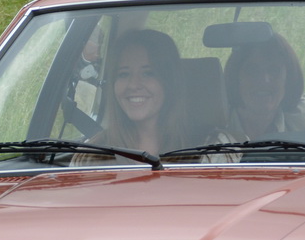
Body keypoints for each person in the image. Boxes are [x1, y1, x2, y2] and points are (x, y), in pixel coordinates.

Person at [79, 28, 220, 158]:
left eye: (148, 73)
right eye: (123, 74)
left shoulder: (214, 151)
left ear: (169, 82)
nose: (133, 85)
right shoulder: (92, 156)